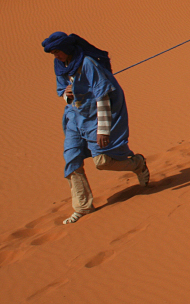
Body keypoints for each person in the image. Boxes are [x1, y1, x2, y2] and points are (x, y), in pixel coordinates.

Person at [42, 31, 149, 224]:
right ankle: (82, 207)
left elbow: (103, 95)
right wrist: (68, 95)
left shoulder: (88, 64)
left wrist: (103, 129)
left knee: (102, 161)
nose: (55, 56)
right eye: (53, 53)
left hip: (95, 117)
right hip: (74, 117)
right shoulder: (60, 66)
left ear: (65, 48)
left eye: (57, 51)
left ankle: (137, 164)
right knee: (71, 159)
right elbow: (62, 92)